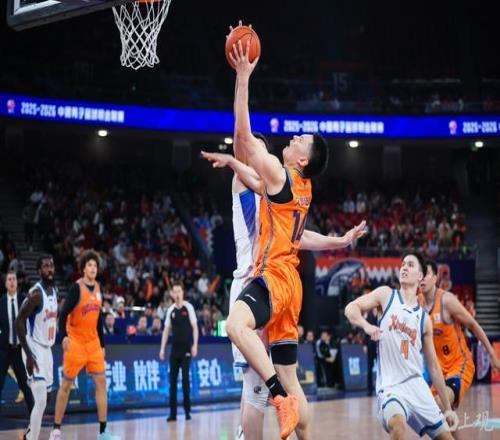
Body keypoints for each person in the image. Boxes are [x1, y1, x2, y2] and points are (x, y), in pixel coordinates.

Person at [202, 131, 364, 440]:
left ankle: (273, 408)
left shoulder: (270, 185)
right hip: (267, 282)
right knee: (277, 380)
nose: (266, 156)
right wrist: (235, 159)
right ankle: (281, 417)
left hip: (265, 283)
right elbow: (242, 139)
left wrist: (338, 241)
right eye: (258, 151)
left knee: (257, 388)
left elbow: (296, 236)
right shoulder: (249, 181)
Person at [224, 34, 333, 440]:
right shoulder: (302, 188)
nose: (294, 136)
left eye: (300, 139)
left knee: (235, 327)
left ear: (301, 159)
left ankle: (278, 398)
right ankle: (297, 418)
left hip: (270, 278)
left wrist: (243, 76)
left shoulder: (281, 177)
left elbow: (244, 136)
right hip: (292, 285)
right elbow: (248, 162)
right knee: (290, 377)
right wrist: (233, 160)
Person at [345, 253, 459, 439]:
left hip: (418, 387)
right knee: (398, 427)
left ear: (420, 276)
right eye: (403, 264)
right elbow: (350, 308)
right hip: (391, 388)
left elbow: (433, 367)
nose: (404, 267)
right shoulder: (386, 295)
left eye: (410, 265)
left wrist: (448, 409)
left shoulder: (424, 320)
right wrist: (366, 326)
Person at [49, 250, 118, 440]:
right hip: (76, 342)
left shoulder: (99, 288)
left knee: (101, 383)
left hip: (93, 343)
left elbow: (98, 319)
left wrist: (102, 345)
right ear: (84, 268)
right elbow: (63, 314)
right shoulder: (76, 288)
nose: (93, 268)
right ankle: (56, 429)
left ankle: (103, 432)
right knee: (66, 385)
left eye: (95, 265)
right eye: (89, 265)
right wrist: (63, 336)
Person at [421, 260, 500, 412]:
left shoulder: (447, 301)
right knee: (433, 414)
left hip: (459, 365)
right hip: (438, 371)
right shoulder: (417, 304)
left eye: (426, 274)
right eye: (420, 274)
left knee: (439, 404)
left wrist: (492, 354)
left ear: (435, 278)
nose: (422, 278)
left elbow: (473, 325)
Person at [16, 256, 57, 440]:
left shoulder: (54, 291)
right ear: (39, 271)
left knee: (46, 399)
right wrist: (28, 354)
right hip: (34, 347)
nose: (50, 269)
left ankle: (28, 435)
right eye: (46, 266)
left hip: (47, 349)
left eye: (51, 266)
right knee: (40, 400)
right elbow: (19, 321)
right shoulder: (35, 294)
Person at [159, 284, 198, 422]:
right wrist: (162, 348)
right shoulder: (170, 310)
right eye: (174, 292)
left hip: (186, 350)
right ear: (172, 294)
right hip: (174, 352)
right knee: (173, 382)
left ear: (182, 293)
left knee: (186, 381)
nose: (177, 294)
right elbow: (166, 331)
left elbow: (195, 327)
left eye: (179, 291)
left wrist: (195, 345)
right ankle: (173, 414)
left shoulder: (188, 308)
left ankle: (187, 411)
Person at [0, 271, 34, 418]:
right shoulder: (1, 302)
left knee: (25, 385)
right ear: (5, 284)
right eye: (9, 279)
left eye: (14, 279)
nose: (12, 282)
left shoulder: (23, 300)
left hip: (19, 350)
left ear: (17, 282)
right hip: (4, 349)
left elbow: (30, 321)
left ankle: (34, 417)